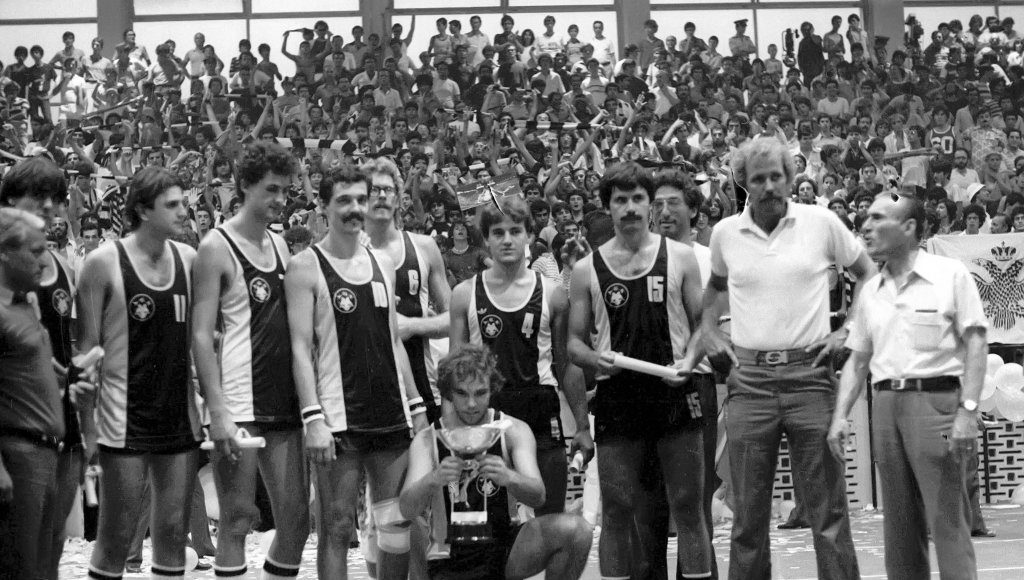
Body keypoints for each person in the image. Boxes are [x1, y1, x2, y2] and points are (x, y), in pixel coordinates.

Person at [700, 138, 873, 580]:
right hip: (749, 381)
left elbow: (868, 273)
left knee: (828, 511)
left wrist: (848, 329)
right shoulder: (724, 234)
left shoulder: (822, 222)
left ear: (790, 178)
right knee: (748, 516)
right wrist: (708, 330)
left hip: (811, 377)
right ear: (744, 182)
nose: (769, 186)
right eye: (759, 178)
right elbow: (714, 289)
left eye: (777, 176)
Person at [827, 195, 985, 579]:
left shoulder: (949, 274)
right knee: (898, 526)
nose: (866, 227)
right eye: (865, 218)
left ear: (909, 227)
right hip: (885, 405)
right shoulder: (871, 290)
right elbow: (858, 360)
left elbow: (977, 343)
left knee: (947, 520)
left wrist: (968, 411)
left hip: (936, 402)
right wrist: (840, 416)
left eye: (878, 218)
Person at [567, 162, 710, 579]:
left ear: (650, 204)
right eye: (620, 200)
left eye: (637, 198)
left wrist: (689, 362)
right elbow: (573, 344)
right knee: (616, 509)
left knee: (688, 507)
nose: (630, 207)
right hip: (618, 398)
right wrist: (594, 359)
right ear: (608, 207)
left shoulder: (681, 257)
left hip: (674, 393)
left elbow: (703, 327)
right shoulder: (586, 269)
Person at [284, 166, 428, 579]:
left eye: (361, 200)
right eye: (344, 200)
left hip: (390, 411)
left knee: (395, 523)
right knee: (337, 526)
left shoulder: (383, 262)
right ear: (323, 205)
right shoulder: (305, 266)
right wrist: (313, 418)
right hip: (337, 416)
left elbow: (393, 339)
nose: (355, 208)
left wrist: (416, 403)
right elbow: (300, 348)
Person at [191, 142, 309, 579]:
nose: (280, 199)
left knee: (296, 521)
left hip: (283, 395)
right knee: (238, 519)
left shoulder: (280, 245)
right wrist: (216, 409)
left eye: (285, 191)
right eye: (271, 189)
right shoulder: (215, 246)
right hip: (238, 399)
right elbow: (200, 334)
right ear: (243, 186)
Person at [79, 167, 202, 580]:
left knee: (173, 532)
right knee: (116, 536)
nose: (184, 211)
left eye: (184, 203)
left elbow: (201, 341)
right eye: (173, 205)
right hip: (122, 418)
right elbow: (86, 353)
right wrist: (87, 428)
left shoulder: (189, 260)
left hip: (178, 414)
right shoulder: (102, 262)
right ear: (143, 210)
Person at [449, 197, 593, 516]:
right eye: (498, 233)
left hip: (540, 409)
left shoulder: (553, 294)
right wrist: (451, 432)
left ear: (529, 235)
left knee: (552, 517)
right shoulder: (464, 295)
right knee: (487, 525)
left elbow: (567, 365)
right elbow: (453, 375)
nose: (507, 240)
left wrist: (582, 426)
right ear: (486, 239)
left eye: (515, 231)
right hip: (485, 413)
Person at [399, 343, 593, 580]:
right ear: (448, 392)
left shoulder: (513, 430)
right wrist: (433, 479)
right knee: (410, 527)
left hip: (503, 550)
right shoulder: (427, 439)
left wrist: (509, 477)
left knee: (578, 531)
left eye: (480, 393)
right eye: (462, 393)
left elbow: (538, 496)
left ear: (492, 389)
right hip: (447, 556)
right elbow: (406, 509)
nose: (472, 404)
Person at [1, 158, 86, 580]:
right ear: (10, 201)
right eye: (39, 196)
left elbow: (58, 347)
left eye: (56, 197)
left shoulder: (62, 268)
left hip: (60, 422)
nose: (50, 206)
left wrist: (74, 376)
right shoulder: (9, 269)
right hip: (17, 429)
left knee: (52, 546)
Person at [650, 169, 722, 578]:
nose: (663, 212)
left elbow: (716, 327)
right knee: (650, 502)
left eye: (673, 203)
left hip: (695, 383)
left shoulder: (709, 261)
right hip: (645, 384)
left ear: (694, 210)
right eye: (656, 204)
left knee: (695, 499)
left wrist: (690, 362)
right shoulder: (636, 258)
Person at [0, 207, 67, 580]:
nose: (45, 261)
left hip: (44, 454)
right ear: (5, 253)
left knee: (43, 568)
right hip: (18, 456)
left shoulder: (24, 303)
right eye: (36, 251)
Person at [364, 157, 450, 423]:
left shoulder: (424, 247)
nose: (381, 196)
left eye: (387, 190)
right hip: (364, 385)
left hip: (421, 380)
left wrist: (412, 326)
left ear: (398, 198)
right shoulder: (347, 254)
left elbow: (453, 318)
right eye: (373, 190)